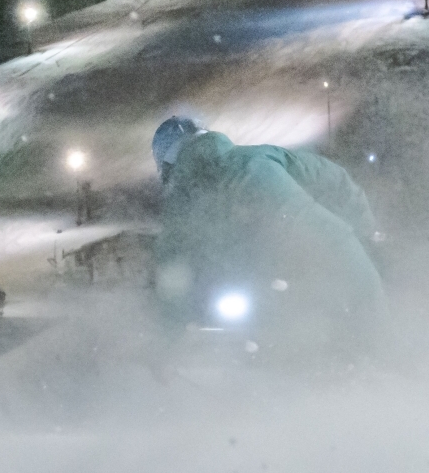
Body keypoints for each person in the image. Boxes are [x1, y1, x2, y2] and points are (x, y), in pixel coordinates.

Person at [149, 115, 386, 360]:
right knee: (362, 336)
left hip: (313, 261)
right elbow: (337, 184)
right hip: (336, 252)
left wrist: (170, 339)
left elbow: (173, 270)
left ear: (167, 167)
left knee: (341, 341)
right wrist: (364, 237)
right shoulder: (254, 159)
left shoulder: (193, 198)